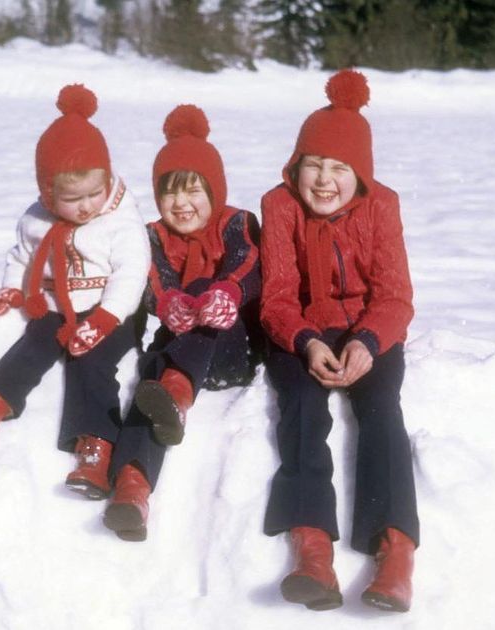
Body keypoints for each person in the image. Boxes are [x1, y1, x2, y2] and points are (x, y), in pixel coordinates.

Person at [259, 69, 419, 612]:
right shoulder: (279, 207)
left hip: (366, 327)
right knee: (301, 408)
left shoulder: (381, 207)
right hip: (301, 327)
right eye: (313, 166)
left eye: (339, 169)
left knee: (381, 411)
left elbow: (396, 295)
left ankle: (393, 552)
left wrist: (369, 342)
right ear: (295, 167)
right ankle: (312, 551)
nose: (324, 181)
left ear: (361, 174)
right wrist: (303, 341)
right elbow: (277, 294)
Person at [0, 84, 150, 501]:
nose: (87, 207)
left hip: (114, 311)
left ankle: (97, 446)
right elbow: (21, 256)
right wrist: (12, 291)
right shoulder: (36, 221)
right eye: (73, 199)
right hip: (56, 306)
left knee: (90, 361)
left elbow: (132, 274)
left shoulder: (119, 224)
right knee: (33, 346)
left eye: (95, 192)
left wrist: (105, 319)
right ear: (47, 192)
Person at [101, 104, 263, 541]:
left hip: (230, 350)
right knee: (152, 379)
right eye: (170, 193)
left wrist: (224, 294)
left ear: (215, 190)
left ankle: (176, 392)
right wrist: (166, 301)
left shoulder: (237, 222)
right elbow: (152, 277)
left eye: (193, 190)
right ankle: (131, 490)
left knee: (207, 287)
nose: (181, 203)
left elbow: (249, 263)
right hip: (176, 359)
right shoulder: (152, 234)